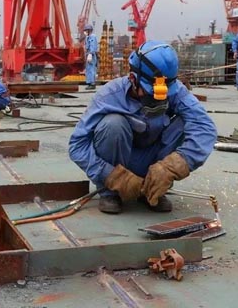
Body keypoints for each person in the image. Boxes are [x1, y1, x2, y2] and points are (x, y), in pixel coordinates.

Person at [68, 41, 217, 214]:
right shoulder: (109, 96)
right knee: (113, 124)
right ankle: (110, 193)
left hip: (154, 160)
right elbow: (77, 145)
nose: (157, 99)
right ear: (133, 79)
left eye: (163, 94)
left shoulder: (176, 91)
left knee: (185, 123)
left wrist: (172, 167)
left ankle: (155, 188)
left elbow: (204, 127)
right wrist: (109, 175)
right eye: (151, 92)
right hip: (119, 163)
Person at [84, 24, 98, 90]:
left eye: (86, 30)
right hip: (88, 54)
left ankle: (92, 83)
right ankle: (89, 82)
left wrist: (90, 54)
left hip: (91, 55)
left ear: (89, 30)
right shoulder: (87, 37)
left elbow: (92, 45)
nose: (85, 32)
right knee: (88, 69)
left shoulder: (92, 37)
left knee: (91, 69)